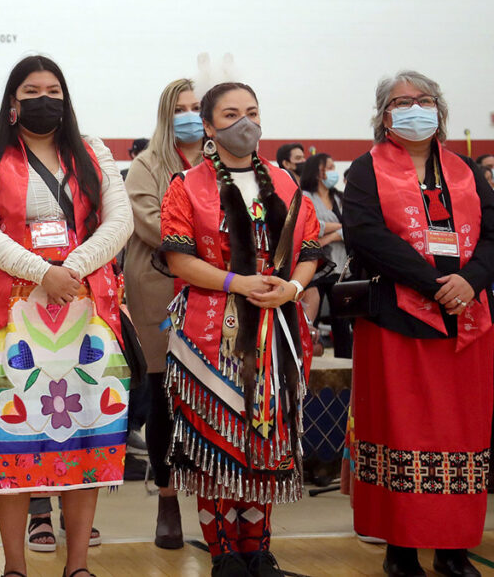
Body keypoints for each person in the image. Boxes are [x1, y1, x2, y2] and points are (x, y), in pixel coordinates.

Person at [0, 55, 134, 577]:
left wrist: (70, 266)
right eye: (32, 90)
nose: (44, 97)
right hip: (8, 313)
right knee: (12, 439)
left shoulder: (92, 150)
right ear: (13, 102)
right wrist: (41, 272)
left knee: (86, 434)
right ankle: (15, 566)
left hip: (85, 304)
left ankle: (77, 566)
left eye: (53, 88)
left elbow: (119, 220)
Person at [159, 82, 321, 577]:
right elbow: (178, 259)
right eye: (230, 114)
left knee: (265, 437)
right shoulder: (187, 185)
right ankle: (223, 551)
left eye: (252, 112)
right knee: (216, 438)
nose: (244, 122)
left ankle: (257, 547)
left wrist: (291, 289)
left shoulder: (285, 182)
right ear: (207, 126)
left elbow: (310, 250)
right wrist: (238, 281)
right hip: (211, 329)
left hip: (277, 326)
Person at [343, 71, 494, 577]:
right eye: (402, 102)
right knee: (402, 433)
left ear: (440, 110)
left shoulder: (467, 170)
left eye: (424, 100)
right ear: (384, 115)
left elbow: (492, 234)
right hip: (395, 318)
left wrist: (469, 281)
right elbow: (365, 236)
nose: (415, 108)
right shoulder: (365, 170)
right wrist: (434, 284)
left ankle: (452, 551)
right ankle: (401, 550)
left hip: (466, 322)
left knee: (460, 436)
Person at [123, 78, 205, 550]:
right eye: (182, 108)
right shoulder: (147, 165)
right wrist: (210, 244)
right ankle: (168, 499)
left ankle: (220, 501)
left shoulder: (222, 160)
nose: (191, 114)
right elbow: (151, 223)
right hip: (159, 288)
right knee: (165, 397)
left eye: (197, 107)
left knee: (215, 397)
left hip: (218, 291)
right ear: (165, 114)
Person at [297, 152, 352, 358]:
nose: (332, 172)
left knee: (342, 322)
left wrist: (329, 237)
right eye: (328, 168)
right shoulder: (305, 196)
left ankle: (345, 364)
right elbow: (311, 225)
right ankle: (306, 360)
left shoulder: (339, 197)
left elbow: (352, 226)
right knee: (312, 317)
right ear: (317, 171)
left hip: (341, 267)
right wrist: (341, 227)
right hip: (315, 266)